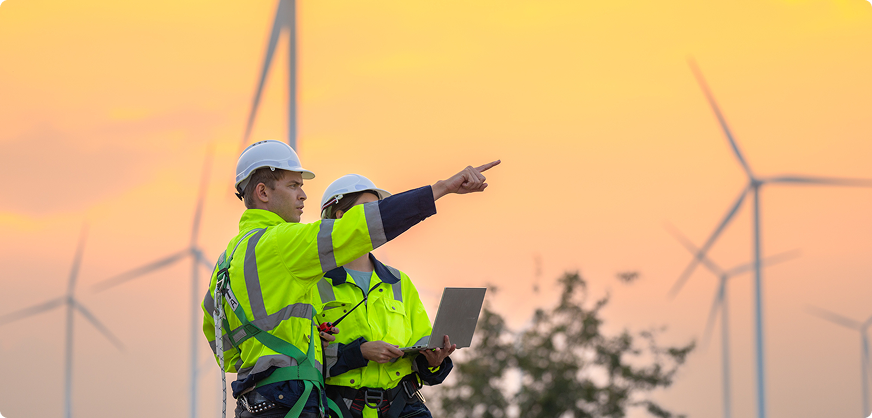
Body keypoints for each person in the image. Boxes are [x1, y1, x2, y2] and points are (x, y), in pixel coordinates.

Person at [201, 139, 499, 418]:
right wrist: (441, 188)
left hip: (255, 401)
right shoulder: (282, 243)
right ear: (263, 192)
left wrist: (277, 351)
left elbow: (222, 347)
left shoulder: (227, 260)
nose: (303, 195)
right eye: (293, 185)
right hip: (291, 399)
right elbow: (361, 228)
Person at [315, 174, 454, 418]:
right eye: (368, 210)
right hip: (339, 409)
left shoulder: (399, 282)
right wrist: (360, 352)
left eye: (378, 210)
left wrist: (434, 361)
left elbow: (420, 346)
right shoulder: (313, 284)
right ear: (340, 216)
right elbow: (304, 358)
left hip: (403, 406)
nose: (375, 217)